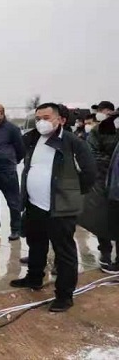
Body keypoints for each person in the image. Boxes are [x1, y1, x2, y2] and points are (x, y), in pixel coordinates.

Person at [11, 103, 96, 312]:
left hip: (60, 207)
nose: (41, 122)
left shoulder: (73, 143)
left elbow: (89, 173)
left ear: (61, 120)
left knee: (64, 251)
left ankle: (64, 295)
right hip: (34, 204)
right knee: (35, 243)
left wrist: (70, 193)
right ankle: (34, 277)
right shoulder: (33, 139)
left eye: (46, 117)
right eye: (38, 118)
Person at [85, 102, 119, 273]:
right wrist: (113, 162)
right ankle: (105, 251)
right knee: (102, 217)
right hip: (103, 179)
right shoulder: (100, 129)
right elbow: (92, 153)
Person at [0, 103, 26, 241]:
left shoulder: (12, 129)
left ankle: (16, 229)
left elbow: (20, 149)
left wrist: (12, 161)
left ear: (2, 114)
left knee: (13, 201)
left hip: (7, 171)